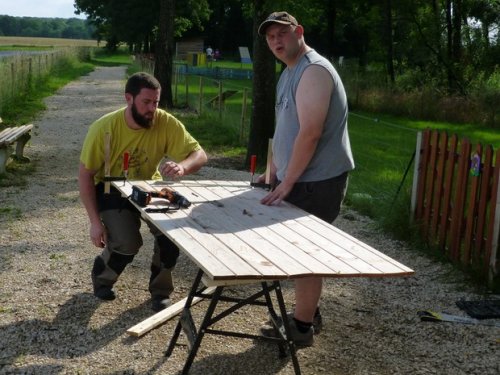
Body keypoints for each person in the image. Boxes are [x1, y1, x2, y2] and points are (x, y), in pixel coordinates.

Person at [256, 11, 355, 346]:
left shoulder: (314, 71)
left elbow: (310, 133)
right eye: (270, 38)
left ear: (298, 32)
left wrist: (287, 182)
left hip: (317, 181)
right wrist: (272, 171)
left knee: (305, 254)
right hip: (299, 179)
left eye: (281, 34)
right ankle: (307, 315)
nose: (276, 42)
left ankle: (301, 328)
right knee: (296, 252)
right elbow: (283, 128)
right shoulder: (289, 73)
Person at [78, 72, 207, 312]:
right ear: (129, 98)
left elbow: (200, 154)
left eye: (156, 102)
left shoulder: (165, 122)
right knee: (128, 242)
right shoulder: (104, 128)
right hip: (110, 187)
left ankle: (160, 291)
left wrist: (182, 166)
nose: (152, 109)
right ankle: (102, 276)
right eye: (146, 102)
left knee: (170, 238)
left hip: (149, 185)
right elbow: (85, 175)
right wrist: (95, 222)